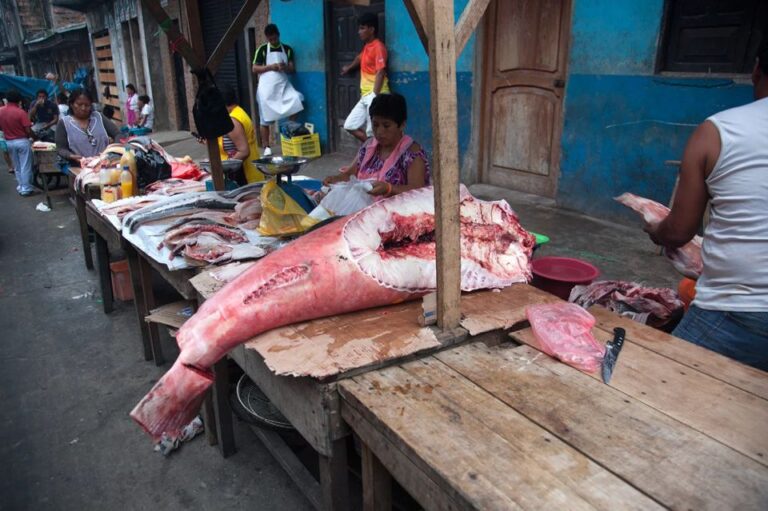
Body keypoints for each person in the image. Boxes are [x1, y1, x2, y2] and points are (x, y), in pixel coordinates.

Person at [644, 43, 768, 371]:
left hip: (741, 311)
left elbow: (680, 230)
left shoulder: (718, 132)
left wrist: (657, 230)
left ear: (756, 70)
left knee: (654, 392)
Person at [324, 93, 429, 198]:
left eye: (386, 126)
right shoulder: (368, 147)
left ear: (402, 125)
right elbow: (349, 174)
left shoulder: (412, 154)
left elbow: (417, 190)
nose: (379, 132)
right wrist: (336, 179)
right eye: (375, 125)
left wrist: (389, 188)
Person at [252, 23, 304, 157]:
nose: (273, 41)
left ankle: (288, 129)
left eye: (275, 38)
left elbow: (292, 69)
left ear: (278, 35)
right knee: (265, 119)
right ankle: (266, 146)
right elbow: (255, 69)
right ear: (267, 38)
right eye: (270, 39)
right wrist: (271, 67)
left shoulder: (287, 49)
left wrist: (284, 67)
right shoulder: (262, 50)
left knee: (298, 100)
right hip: (266, 89)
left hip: (283, 86)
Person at [341, 12, 390, 143]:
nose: (359, 32)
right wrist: (349, 68)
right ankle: (372, 149)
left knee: (372, 132)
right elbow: (359, 58)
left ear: (372, 29)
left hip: (376, 94)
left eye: (362, 28)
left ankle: (376, 156)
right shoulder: (368, 47)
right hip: (365, 95)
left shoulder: (378, 47)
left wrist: (375, 95)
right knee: (349, 125)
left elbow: (380, 71)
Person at [56, 89, 119, 170]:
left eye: (87, 105)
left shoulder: (98, 117)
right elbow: (61, 149)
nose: (83, 108)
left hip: (104, 166)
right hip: (79, 168)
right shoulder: (64, 123)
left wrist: (113, 151)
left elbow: (117, 134)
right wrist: (72, 156)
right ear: (71, 104)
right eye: (79, 104)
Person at [216, 84, 264, 183]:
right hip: (249, 170)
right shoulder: (238, 112)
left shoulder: (233, 120)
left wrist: (223, 168)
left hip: (243, 174)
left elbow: (244, 151)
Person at [0, 90, 35, 195]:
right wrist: (34, 137)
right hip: (21, 140)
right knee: (25, 165)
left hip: (9, 141)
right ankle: (26, 188)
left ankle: (21, 186)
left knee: (17, 165)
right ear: (19, 100)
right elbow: (28, 130)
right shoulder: (20, 112)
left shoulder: (1, 111)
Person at [0, 92, 15, 174]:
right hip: (1, 134)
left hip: (10, 132)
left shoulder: (7, 110)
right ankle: (10, 166)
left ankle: (15, 165)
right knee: (5, 151)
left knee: (13, 150)